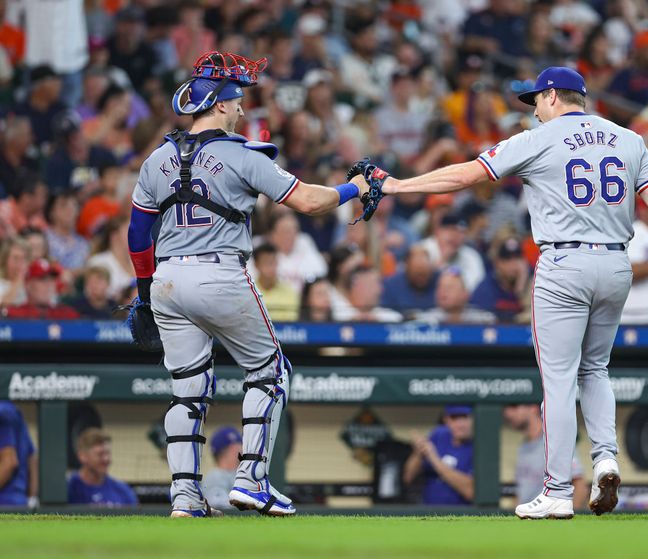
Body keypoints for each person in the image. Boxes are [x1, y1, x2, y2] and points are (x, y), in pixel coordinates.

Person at [358, 67, 648, 519]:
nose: (533, 108)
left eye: (535, 99)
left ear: (554, 96)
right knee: (595, 368)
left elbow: (466, 176)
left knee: (558, 379)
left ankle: (557, 490)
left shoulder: (540, 137)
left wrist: (398, 185)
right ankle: (606, 457)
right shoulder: (628, 138)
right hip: (617, 263)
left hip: (564, 263)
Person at [126, 51, 370, 517]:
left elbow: (138, 235)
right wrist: (354, 188)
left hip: (166, 279)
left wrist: (142, 293)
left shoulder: (155, 158)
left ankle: (184, 496)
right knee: (270, 371)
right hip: (218, 272)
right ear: (218, 105)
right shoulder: (238, 154)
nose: (242, 110)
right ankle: (251, 479)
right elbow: (310, 202)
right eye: (237, 102)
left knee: (187, 389)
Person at [503, 403, 588, 509]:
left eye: (514, 407)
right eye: (507, 408)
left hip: (548, 519)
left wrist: (567, 521)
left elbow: (579, 486)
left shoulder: (554, 442)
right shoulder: (523, 447)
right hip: (527, 519)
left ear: (533, 408)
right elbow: (521, 493)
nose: (507, 413)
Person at [403, 405, 474, 506]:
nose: (460, 424)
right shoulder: (439, 435)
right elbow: (408, 477)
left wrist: (434, 458)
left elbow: (470, 492)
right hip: (430, 513)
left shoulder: (478, 445)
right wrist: (418, 452)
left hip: (462, 516)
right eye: (454, 418)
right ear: (446, 420)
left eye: (464, 418)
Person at [67, 428, 138, 507]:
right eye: (100, 454)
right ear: (82, 456)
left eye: (108, 453)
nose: (106, 459)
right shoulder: (68, 489)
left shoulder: (123, 492)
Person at [470, 236, 529, 322]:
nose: (514, 265)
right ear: (498, 263)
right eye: (507, 259)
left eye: (517, 258)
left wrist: (521, 286)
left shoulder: (531, 280)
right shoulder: (486, 287)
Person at [4, 259, 79, 320]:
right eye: (43, 280)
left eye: (52, 280)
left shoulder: (67, 314)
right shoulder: (13, 314)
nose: (49, 285)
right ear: (28, 285)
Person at [416, 267, 495, 325]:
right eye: (440, 287)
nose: (443, 292)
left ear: (465, 294)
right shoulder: (425, 321)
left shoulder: (483, 321)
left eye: (449, 287)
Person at [381, 244, 438, 318]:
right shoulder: (391, 285)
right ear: (407, 267)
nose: (420, 278)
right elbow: (383, 313)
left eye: (424, 274)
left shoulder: (440, 282)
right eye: (416, 271)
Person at [0, 400, 37, 508]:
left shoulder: (3, 411)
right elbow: (32, 457)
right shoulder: (11, 409)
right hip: (19, 503)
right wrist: (31, 498)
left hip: (4, 504)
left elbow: (9, 462)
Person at [252, 242, 300, 322]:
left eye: (274, 262)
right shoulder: (249, 292)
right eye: (267, 263)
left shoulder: (290, 292)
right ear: (256, 265)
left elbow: (291, 323)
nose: (271, 267)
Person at [201, 427, 243, 511]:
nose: (241, 450)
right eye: (235, 447)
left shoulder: (241, 474)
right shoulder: (215, 476)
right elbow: (216, 503)